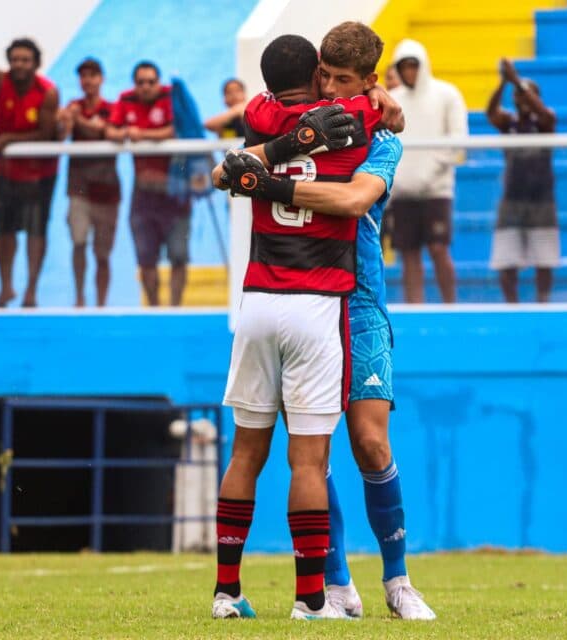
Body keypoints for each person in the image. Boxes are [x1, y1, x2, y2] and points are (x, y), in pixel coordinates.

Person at [216, 22, 435, 621]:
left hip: (358, 299)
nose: (333, 88)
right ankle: (334, 585)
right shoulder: (306, 121)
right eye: (325, 78)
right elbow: (234, 162)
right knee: (312, 451)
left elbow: (355, 200)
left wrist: (267, 184)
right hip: (308, 298)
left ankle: (398, 580)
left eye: (345, 81)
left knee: (369, 440)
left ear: (368, 83)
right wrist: (270, 159)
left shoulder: (379, 133)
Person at [0, 29, 59, 308]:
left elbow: (46, 133)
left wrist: (8, 139)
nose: (19, 64)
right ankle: (6, 288)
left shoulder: (48, 92)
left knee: (35, 231)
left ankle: (31, 291)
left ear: (35, 63)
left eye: (25, 60)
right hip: (6, 172)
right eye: (15, 59)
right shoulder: (0, 81)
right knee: (4, 231)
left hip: (39, 175)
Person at [387, 39, 468, 303]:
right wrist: (398, 179)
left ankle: (450, 305)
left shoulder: (446, 94)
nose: (409, 72)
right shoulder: (394, 101)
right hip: (401, 192)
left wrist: (428, 173)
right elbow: (386, 143)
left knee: (437, 248)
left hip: (436, 189)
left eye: (413, 66)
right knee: (408, 253)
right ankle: (415, 308)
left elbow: (458, 140)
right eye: (404, 67)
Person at [106, 61, 190, 306]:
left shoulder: (171, 97)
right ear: (135, 84)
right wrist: (123, 133)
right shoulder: (126, 99)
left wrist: (140, 134)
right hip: (143, 194)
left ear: (158, 82)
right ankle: (154, 307)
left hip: (175, 192)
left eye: (151, 82)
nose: (145, 87)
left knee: (178, 256)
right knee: (145, 257)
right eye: (140, 82)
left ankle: (176, 309)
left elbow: (179, 129)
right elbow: (111, 131)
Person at [486, 58, 559, 303]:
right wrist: (503, 83)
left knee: (544, 259)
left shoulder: (545, 121)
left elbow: (545, 114)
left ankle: (543, 304)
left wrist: (517, 81)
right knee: (506, 260)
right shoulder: (510, 123)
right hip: (512, 199)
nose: (523, 98)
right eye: (518, 95)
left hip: (542, 200)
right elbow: (490, 113)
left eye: (529, 94)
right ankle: (512, 306)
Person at [57, 57, 121, 307]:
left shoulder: (112, 108)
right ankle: (80, 299)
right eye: (83, 76)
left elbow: (105, 132)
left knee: (102, 254)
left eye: (92, 75)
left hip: (107, 191)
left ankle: (101, 304)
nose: (88, 80)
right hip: (79, 189)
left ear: (101, 79)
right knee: (79, 243)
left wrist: (78, 120)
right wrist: (65, 121)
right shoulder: (72, 107)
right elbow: (61, 136)